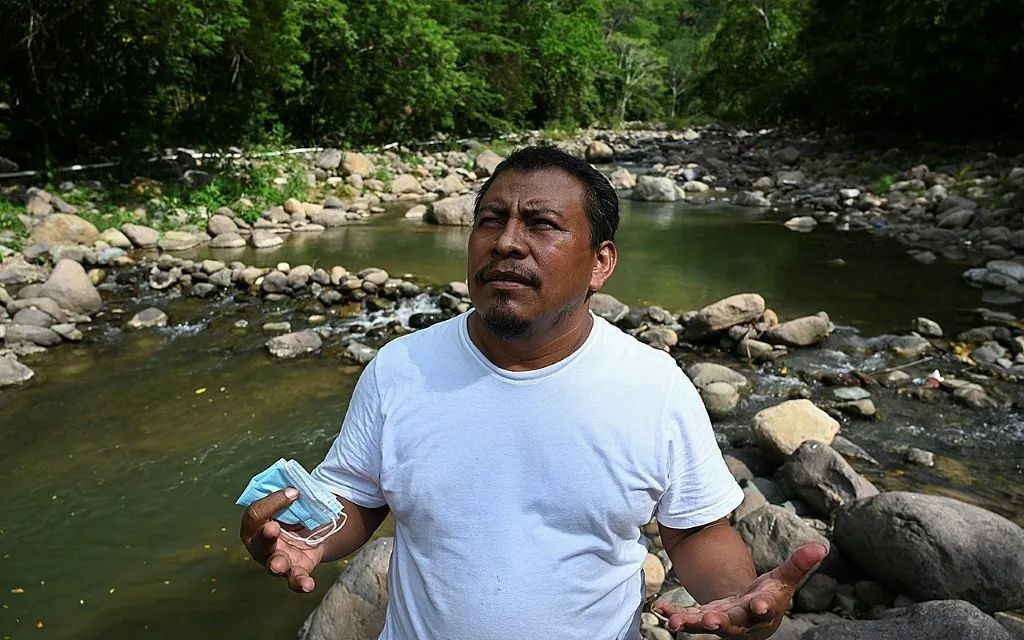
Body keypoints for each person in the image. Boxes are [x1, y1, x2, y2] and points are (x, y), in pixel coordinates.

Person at [240, 146, 828, 639]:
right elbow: (359, 498)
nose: (506, 243)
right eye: (490, 220)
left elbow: (694, 529)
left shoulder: (653, 386)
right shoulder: (402, 369)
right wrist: (300, 537)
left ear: (600, 263)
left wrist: (737, 602)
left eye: (541, 224)